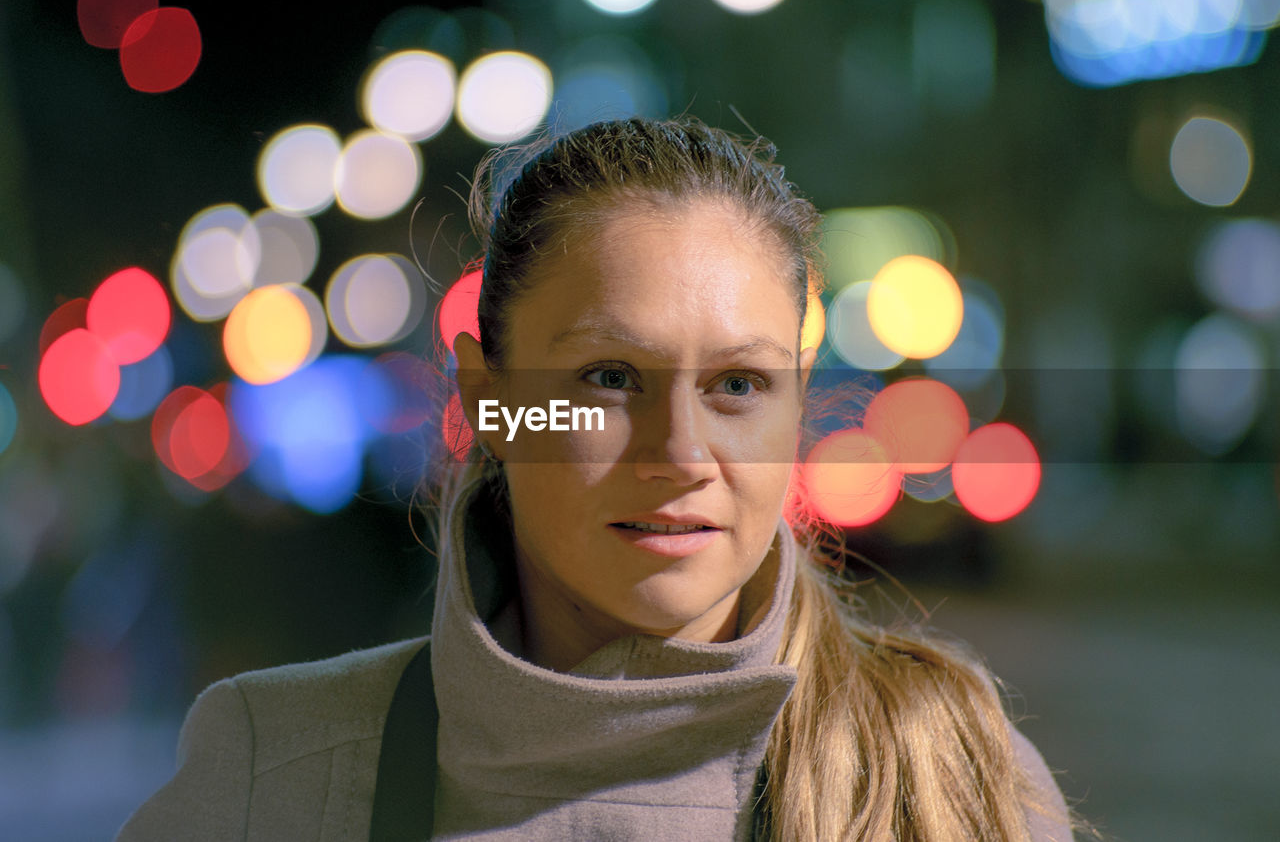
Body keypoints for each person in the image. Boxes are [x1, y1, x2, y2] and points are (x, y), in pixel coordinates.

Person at [116, 116, 1087, 841]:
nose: (679, 451)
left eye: (738, 384)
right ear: (488, 402)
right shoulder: (275, 773)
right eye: (609, 378)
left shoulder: (952, 774)